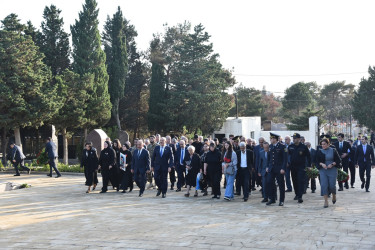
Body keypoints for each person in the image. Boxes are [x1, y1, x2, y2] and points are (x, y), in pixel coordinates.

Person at [316, 138, 341, 208]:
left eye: (324, 144)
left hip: (332, 170)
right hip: (323, 170)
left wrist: (332, 164)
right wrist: (321, 164)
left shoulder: (333, 150)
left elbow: (338, 160)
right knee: (324, 185)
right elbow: (317, 161)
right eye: (322, 144)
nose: (323, 146)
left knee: (332, 185)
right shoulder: (319, 151)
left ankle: (334, 195)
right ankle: (326, 201)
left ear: (328, 144)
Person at [288, 133, 311, 203]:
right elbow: (287, 155)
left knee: (300, 180)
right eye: (293, 138)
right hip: (293, 166)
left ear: (299, 139)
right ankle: (297, 194)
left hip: (301, 166)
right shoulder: (290, 146)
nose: (294, 140)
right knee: (294, 181)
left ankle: (300, 196)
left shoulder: (303, 147)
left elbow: (308, 156)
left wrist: (309, 166)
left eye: (295, 138)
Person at [267, 133, 287, 206]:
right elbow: (269, 158)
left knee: (281, 184)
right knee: (270, 182)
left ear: (275, 139)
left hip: (279, 168)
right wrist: (267, 166)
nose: (270, 140)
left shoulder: (282, 146)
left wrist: (283, 168)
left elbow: (285, 159)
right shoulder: (270, 146)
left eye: (271, 138)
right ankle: (272, 198)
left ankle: (281, 200)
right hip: (272, 168)